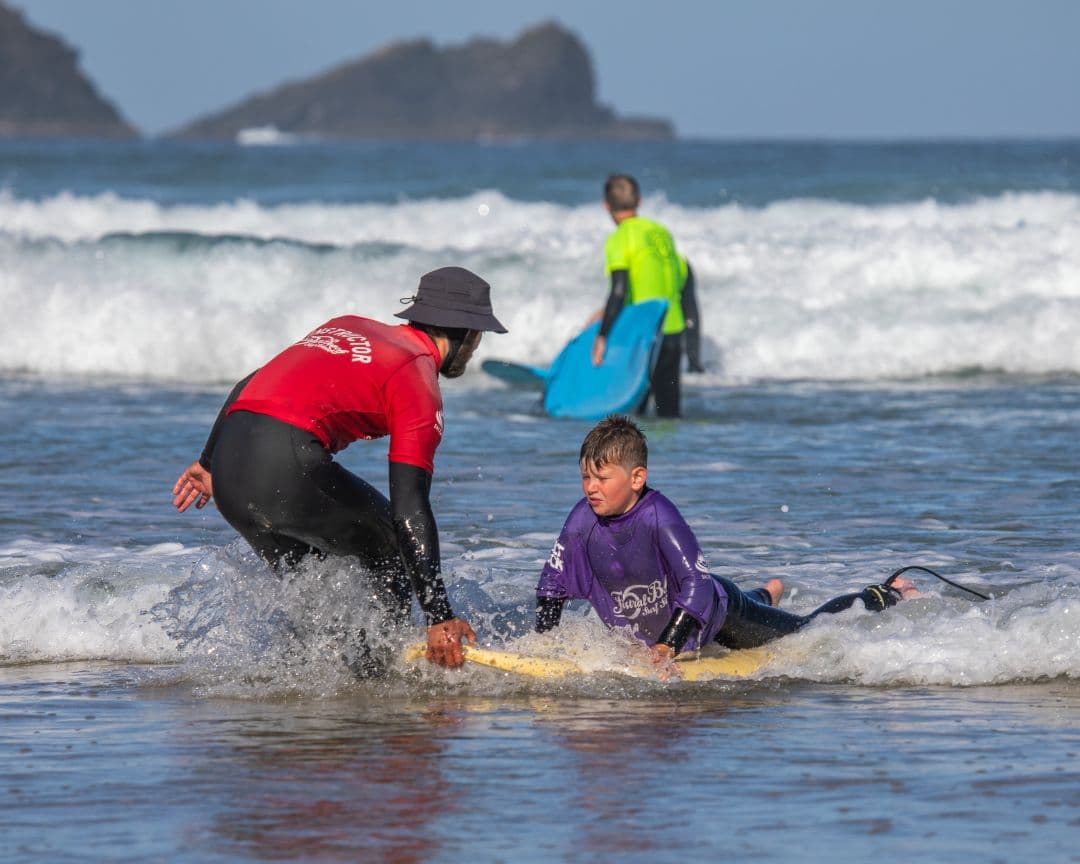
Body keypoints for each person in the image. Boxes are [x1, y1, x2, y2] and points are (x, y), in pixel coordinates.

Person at [172, 266, 507, 669]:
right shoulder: (416, 377)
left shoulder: (346, 325)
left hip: (230, 472)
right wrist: (438, 614)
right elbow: (410, 509)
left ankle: (313, 681)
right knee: (390, 543)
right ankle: (382, 675)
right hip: (283, 467)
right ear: (470, 334)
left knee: (312, 587)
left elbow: (248, 383)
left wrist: (210, 462)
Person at [534, 416, 919, 673]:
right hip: (688, 601)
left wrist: (667, 646)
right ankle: (769, 592)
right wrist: (547, 646)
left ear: (637, 478)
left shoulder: (660, 516)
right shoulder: (581, 521)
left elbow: (698, 587)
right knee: (751, 599)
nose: (590, 487)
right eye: (585, 476)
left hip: (720, 615)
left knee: (807, 631)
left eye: (601, 477)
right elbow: (552, 586)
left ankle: (887, 592)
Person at [590, 174, 704, 419]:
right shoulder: (660, 232)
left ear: (606, 205)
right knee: (669, 416)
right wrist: (694, 353)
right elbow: (684, 281)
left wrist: (602, 335)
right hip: (672, 333)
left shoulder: (620, 238)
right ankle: (677, 456)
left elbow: (619, 289)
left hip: (644, 336)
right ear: (639, 201)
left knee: (633, 415)